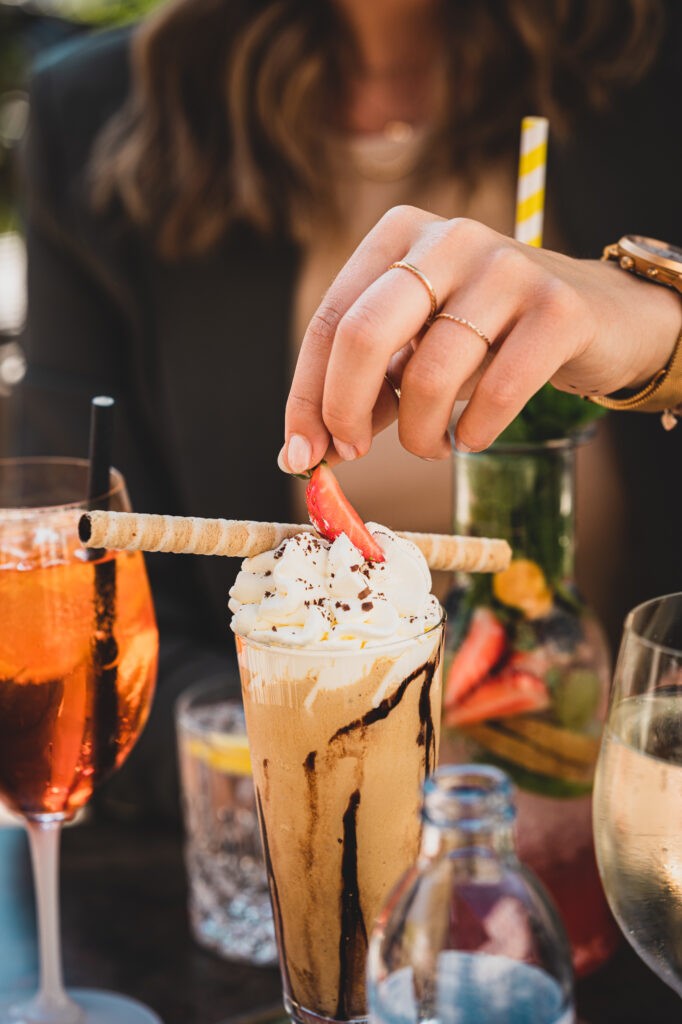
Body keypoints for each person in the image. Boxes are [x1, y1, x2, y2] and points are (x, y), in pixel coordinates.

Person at [18, 0, 681, 820]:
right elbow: (78, 602)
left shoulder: (654, 60)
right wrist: (326, 766)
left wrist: (660, 325)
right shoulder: (95, 110)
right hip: (305, 833)